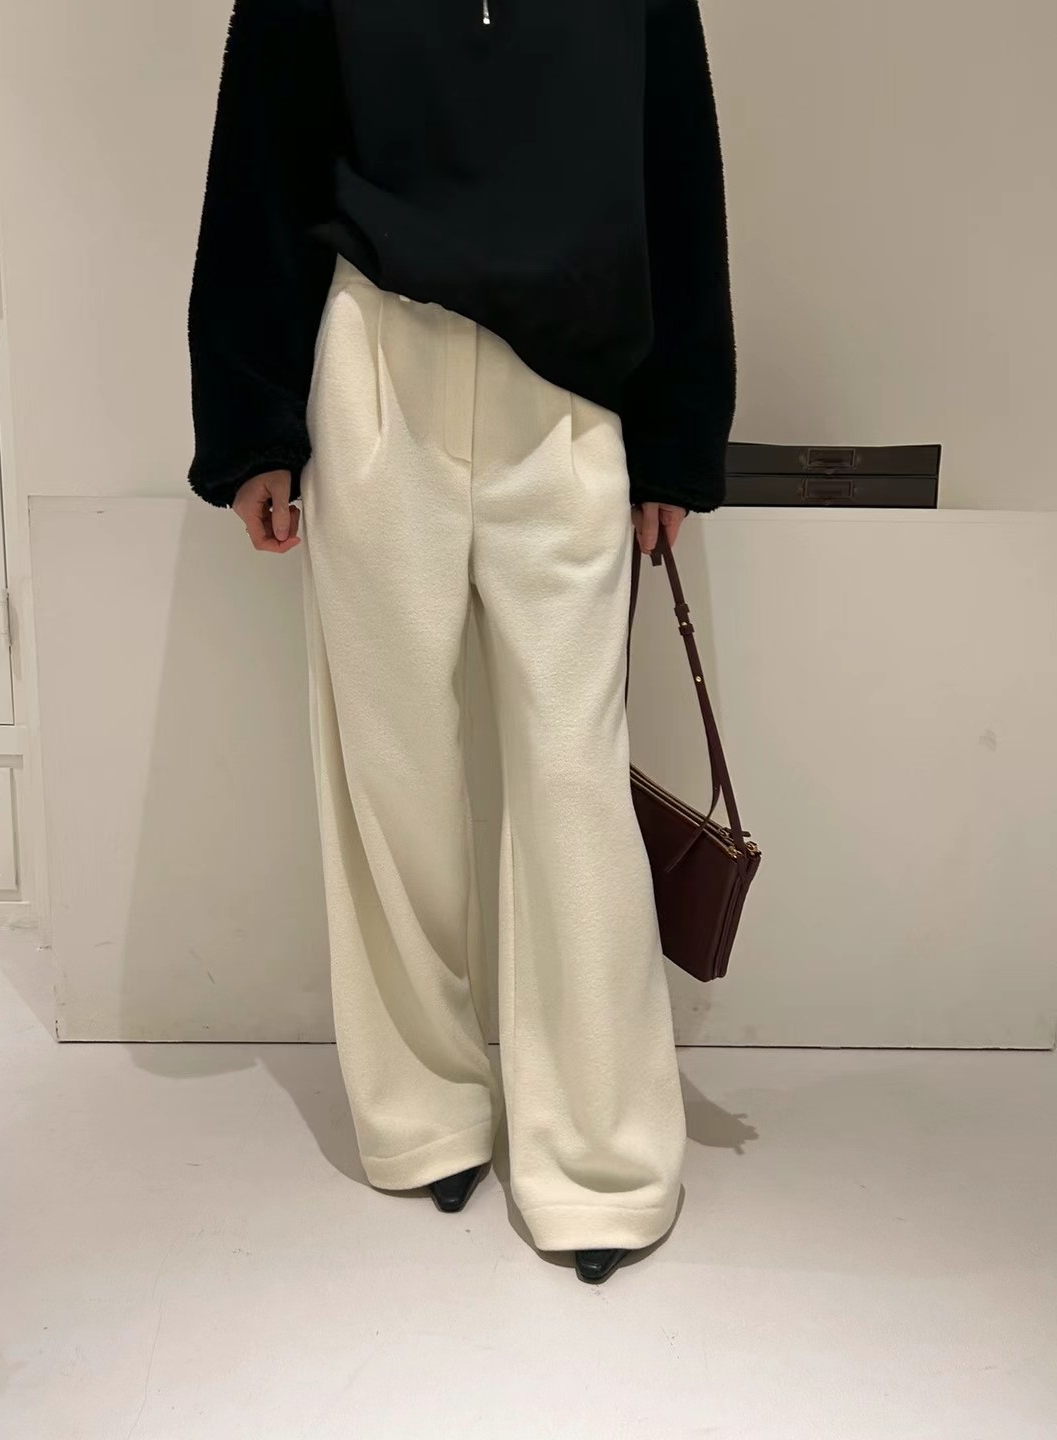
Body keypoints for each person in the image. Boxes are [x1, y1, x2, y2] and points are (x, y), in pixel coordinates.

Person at [185, 0, 736, 1286]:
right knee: (390, 765)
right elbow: (261, 151)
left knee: (572, 773)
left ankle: (599, 1155)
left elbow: (677, 160)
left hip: (576, 386)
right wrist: (255, 427)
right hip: (379, 351)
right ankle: (424, 1109)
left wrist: (675, 436)